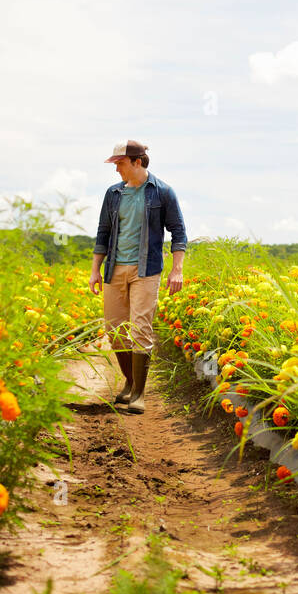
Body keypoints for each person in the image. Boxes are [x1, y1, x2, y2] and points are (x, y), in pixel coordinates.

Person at [88, 140, 187, 412]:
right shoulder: (114, 194)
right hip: (114, 270)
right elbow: (103, 232)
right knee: (114, 331)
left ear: (137, 162)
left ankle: (139, 396)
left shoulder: (162, 193)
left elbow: (178, 233)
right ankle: (130, 383)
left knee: (140, 329)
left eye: (120, 163)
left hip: (146, 270)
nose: (116, 169)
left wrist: (177, 269)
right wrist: (96, 269)